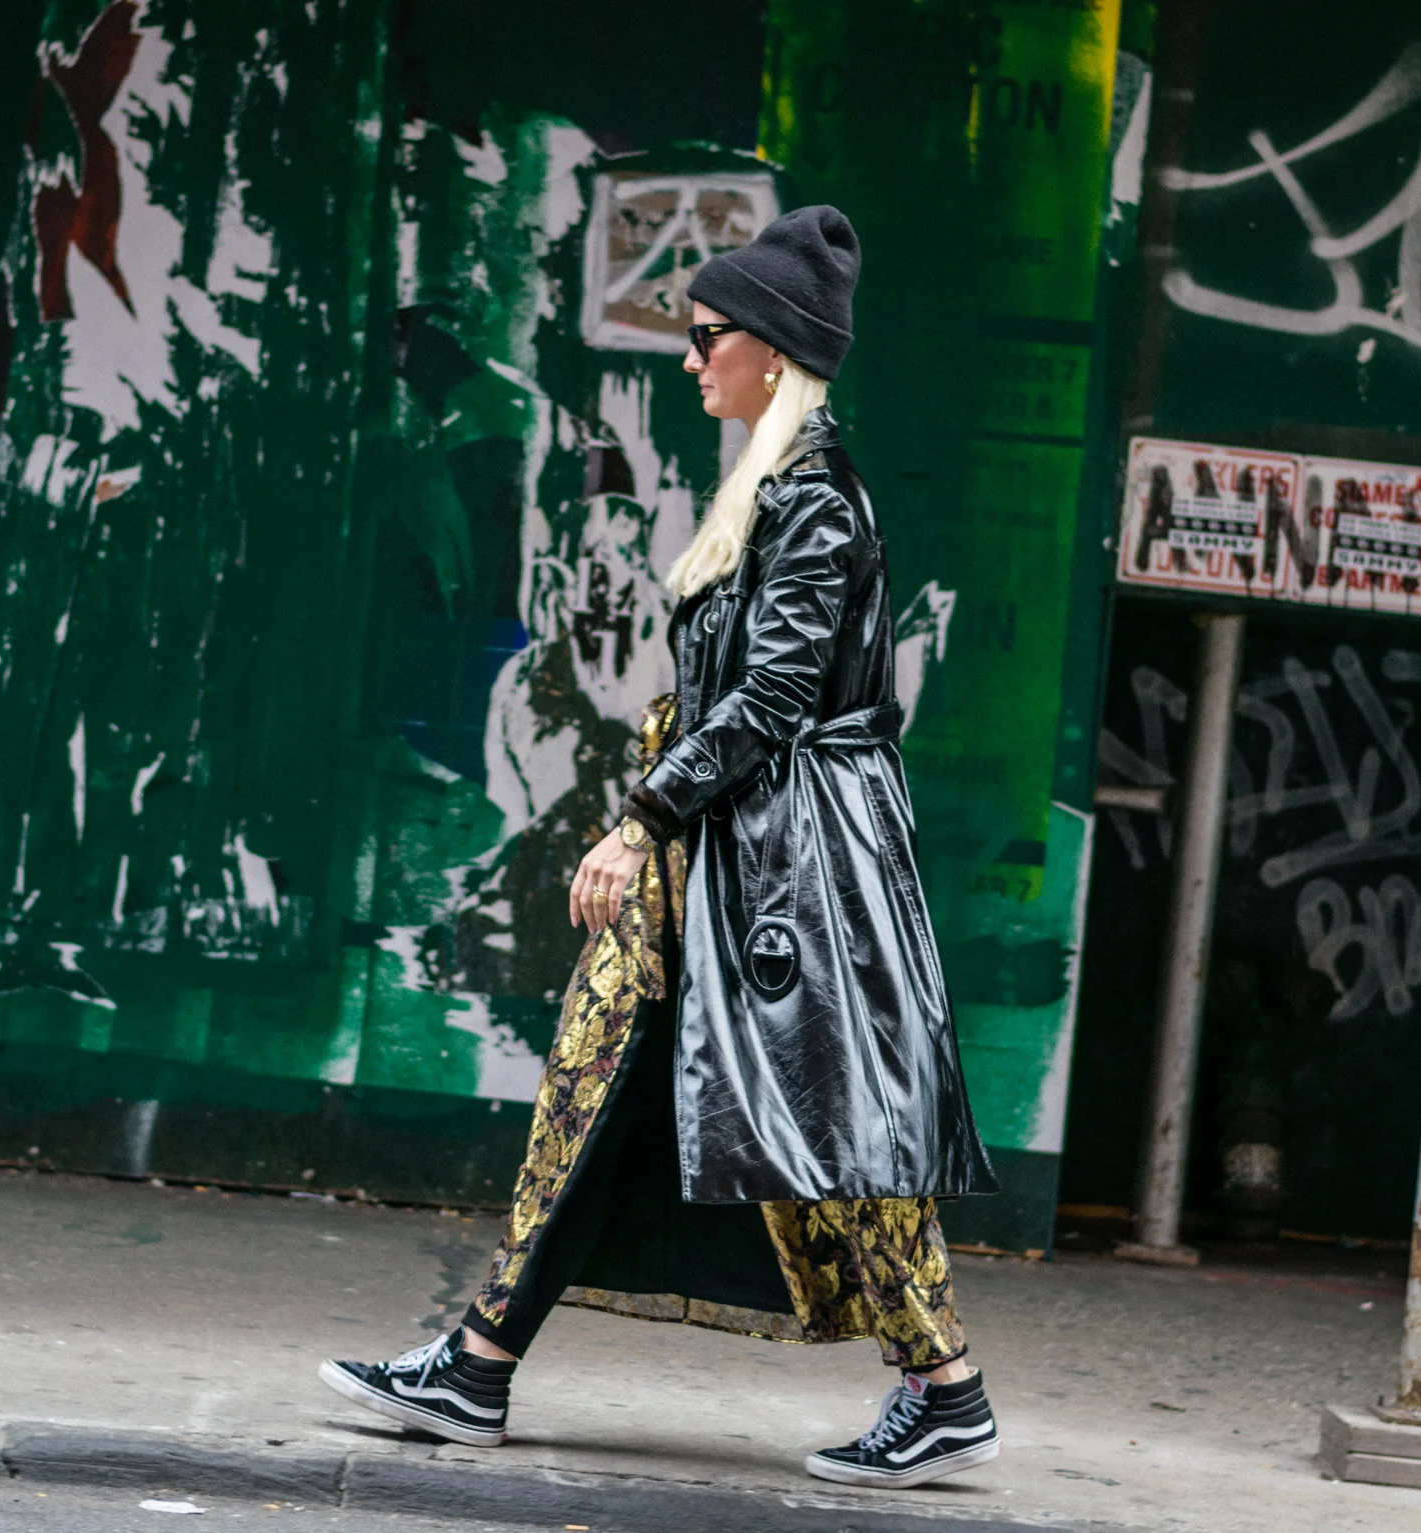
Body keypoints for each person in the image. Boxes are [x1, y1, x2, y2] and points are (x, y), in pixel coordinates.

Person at [323, 205, 1001, 1491]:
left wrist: (642, 820)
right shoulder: (769, 487)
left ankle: (945, 1385)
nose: (688, 360)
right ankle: (477, 1362)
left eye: (704, 338)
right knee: (597, 1072)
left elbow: (773, 697)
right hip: (735, 853)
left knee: (841, 1129)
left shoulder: (815, 502)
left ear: (772, 349)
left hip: (793, 865)